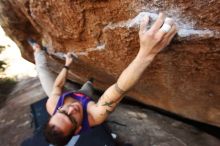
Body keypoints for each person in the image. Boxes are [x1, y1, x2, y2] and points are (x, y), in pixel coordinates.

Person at [29, 12, 177, 146]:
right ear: (78, 129)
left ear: (55, 112)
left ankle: (37, 50)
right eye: (73, 119)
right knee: (87, 88)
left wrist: (67, 65)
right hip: (85, 98)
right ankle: (90, 82)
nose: (72, 109)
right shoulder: (95, 116)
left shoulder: (53, 104)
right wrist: (146, 53)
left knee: (41, 71)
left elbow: (58, 85)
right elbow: (118, 89)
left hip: (62, 95)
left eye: (63, 112)